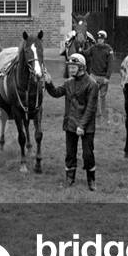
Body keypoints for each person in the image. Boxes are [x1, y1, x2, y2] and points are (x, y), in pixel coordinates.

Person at [43, 53, 99, 189]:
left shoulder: (92, 84)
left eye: (74, 67)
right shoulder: (68, 83)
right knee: (70, 153)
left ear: (82, 68)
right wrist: (49, 83)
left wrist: (82, 126)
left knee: (88, 154)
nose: (71, 69)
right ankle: (69, 178)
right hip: (70, 124)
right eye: (70, 67)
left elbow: (91, 108)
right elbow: (56, 93)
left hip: (87, 126)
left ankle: (91, 180)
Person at [85, 30, 114, 123]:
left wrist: (107, 78)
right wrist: (80, 49)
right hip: (93, 76)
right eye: (98, 39)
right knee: (93, 96)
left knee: (102, 96)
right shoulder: (93, 48)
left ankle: (103, 114)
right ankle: (96, 114)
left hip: (103, 77)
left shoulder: (109, 49)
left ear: (104, 39)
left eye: (101, 39)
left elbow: (110, 65)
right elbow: (86, 53)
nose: (99, 40)